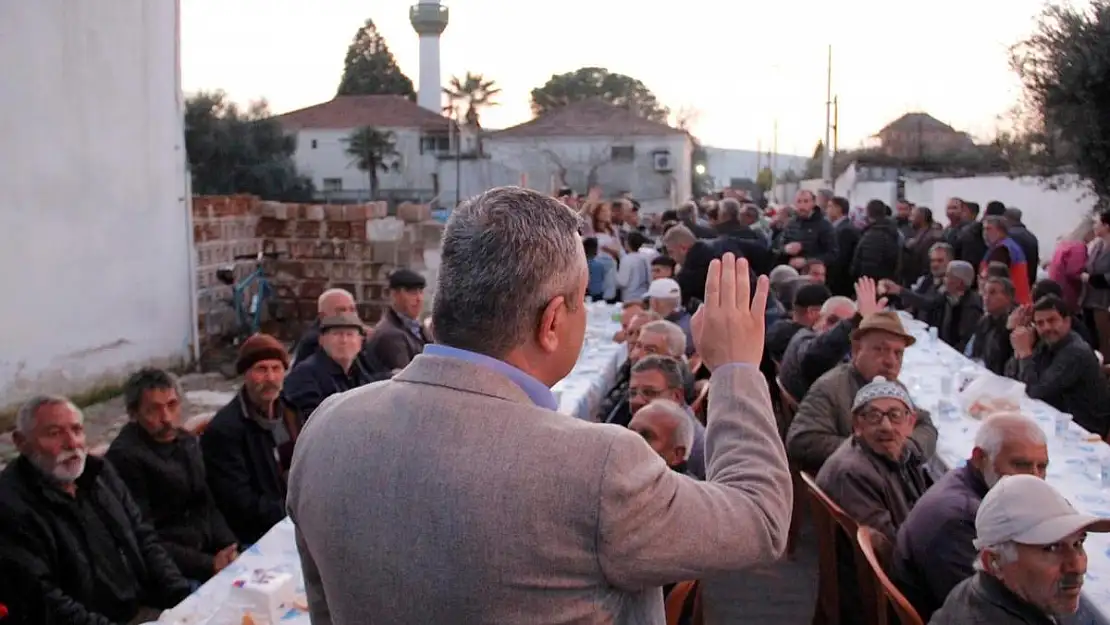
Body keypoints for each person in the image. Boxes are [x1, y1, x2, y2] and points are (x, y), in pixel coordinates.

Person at [286, 187, 791, 624]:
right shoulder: (597, 467)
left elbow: (325, 606)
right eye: (578, 302)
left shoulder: (327, 426)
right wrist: (735, 371)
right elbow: (761, 521)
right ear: (552, 322)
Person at [930, 475, 1110, 624]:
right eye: (1051, 548)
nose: (1078, 566)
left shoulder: (976, 591)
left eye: (1078, 543)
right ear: (994, 562)